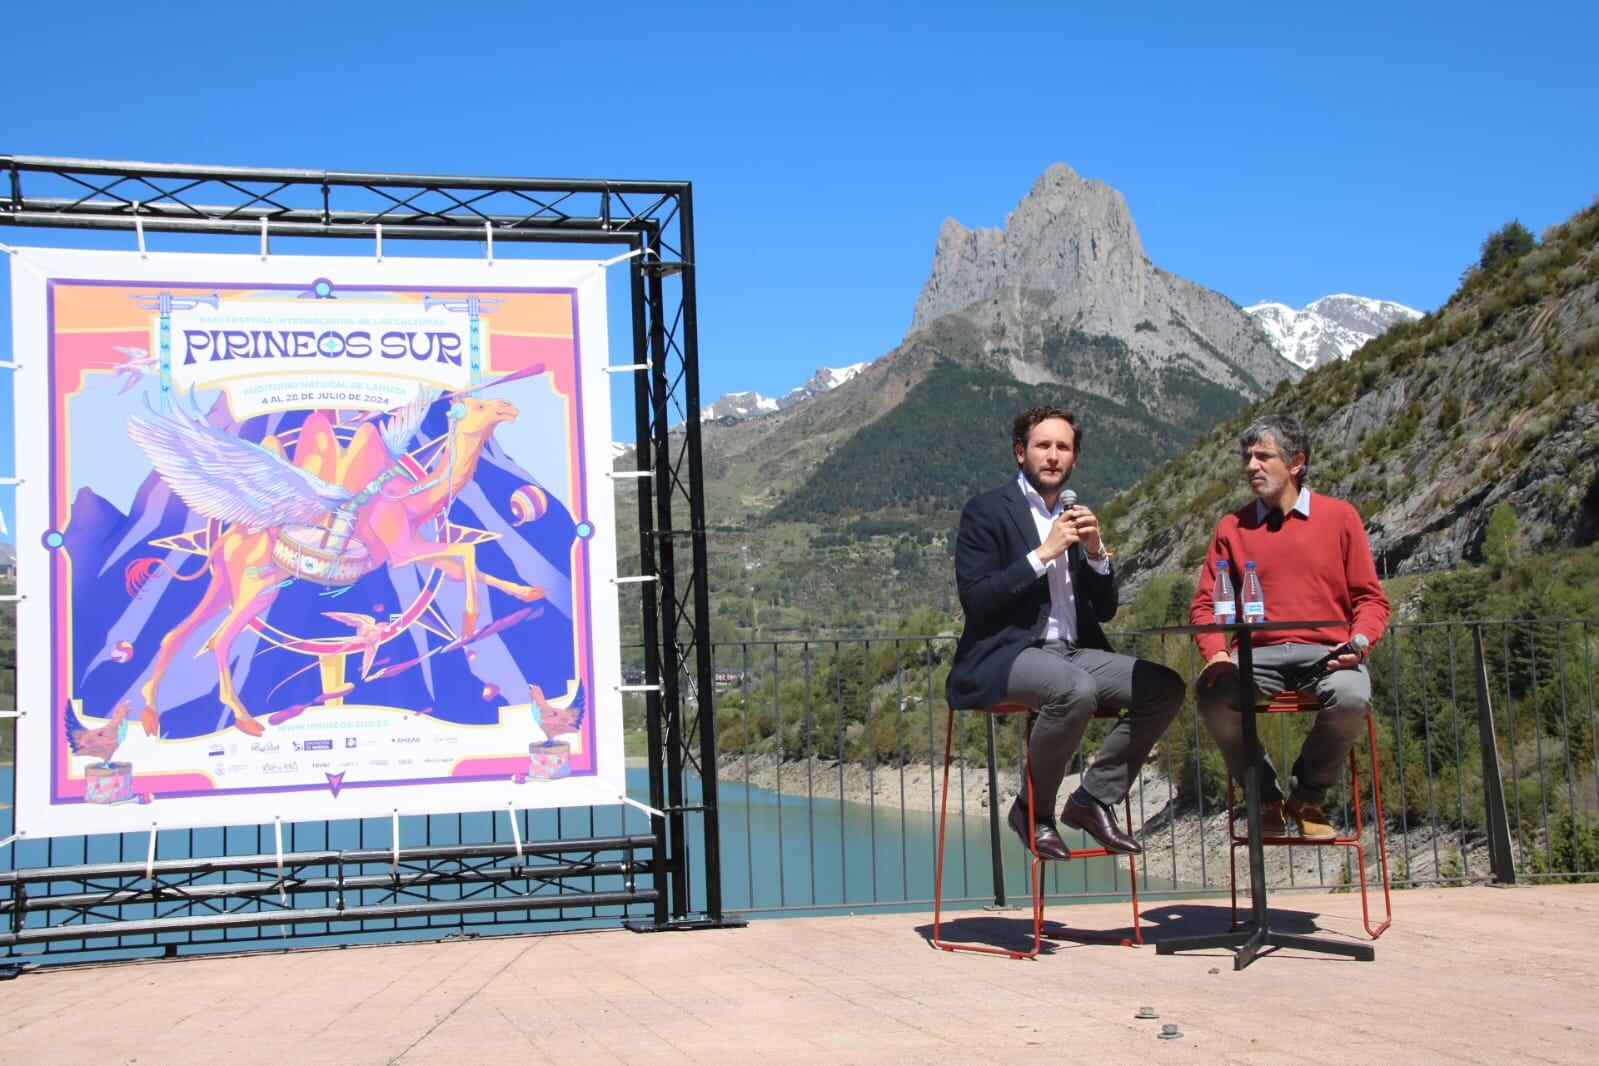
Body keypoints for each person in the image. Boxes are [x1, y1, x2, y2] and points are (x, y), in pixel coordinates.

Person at [946, 406, 1184, 859]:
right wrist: (1044, 554)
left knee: (1164, 687)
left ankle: (1092, 798)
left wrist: (1096, 555)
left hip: (1074, 651)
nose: (1052, 456)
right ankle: (1033, 811)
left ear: (1073, 459)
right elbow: (976, 600)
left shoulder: (1076, 516)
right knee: (1074, 690)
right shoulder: (987, 511)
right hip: (1008, 654)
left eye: (1063, 448)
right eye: (1042, 446)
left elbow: (1107, 610)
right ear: (1021, 453)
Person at [1188, 414, 1390, 840]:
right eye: (1247, 457)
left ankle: (1305, 798)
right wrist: (1217, 654)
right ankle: (1265, 799)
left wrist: (1360, 642)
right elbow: (1205, 604)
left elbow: (1371, 599)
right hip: (1256, 655)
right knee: (1212, 694)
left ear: (1296, 462)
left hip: (1328, 653)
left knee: (1351, 696)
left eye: (1263, 456)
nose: (1251, 466)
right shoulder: (1232, 526)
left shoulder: (1340, 518)